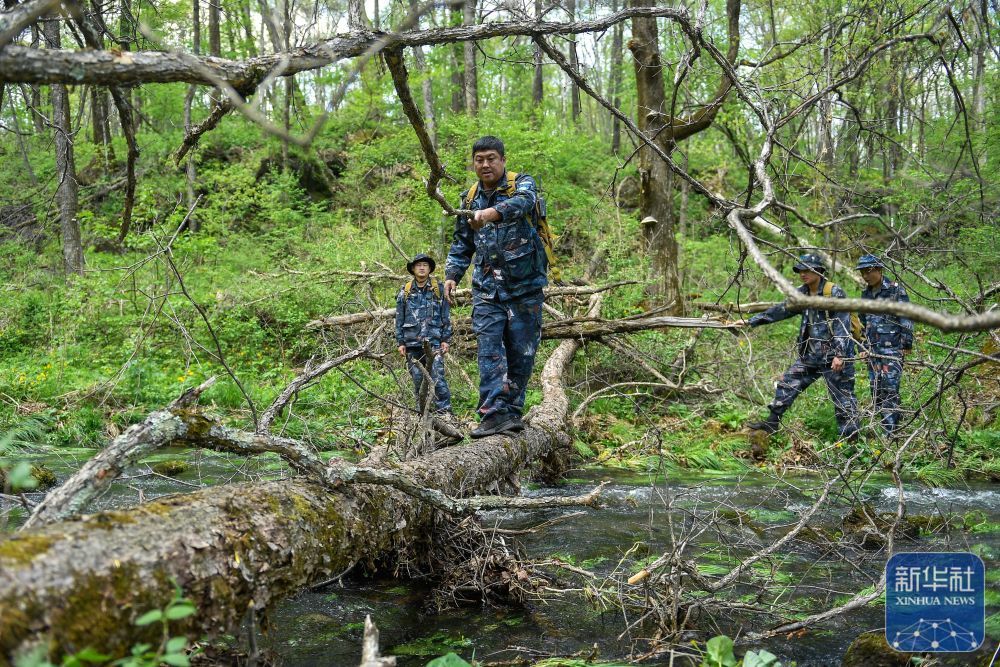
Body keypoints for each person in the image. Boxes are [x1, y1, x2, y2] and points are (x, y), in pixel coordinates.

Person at [444, 135, 546, 438]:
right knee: (489, 349)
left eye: (491, 158)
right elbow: (462, 242)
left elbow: (524, 202)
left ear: (502, 160)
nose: (485, 164)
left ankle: (511, 413)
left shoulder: (522, 184)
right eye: (479, 159)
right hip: (487, 289)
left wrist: (492, 214)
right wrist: (452, 274)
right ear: (474, 163)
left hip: (525, 287)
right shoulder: (469, 197)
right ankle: (491, 413)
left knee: (522, 352)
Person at [744, 253, 861, 441]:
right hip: (811, 355)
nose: (802, 274)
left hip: (834, 357)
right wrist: (751, 322)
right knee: (787, 383)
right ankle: (772, 423)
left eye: (807, 270)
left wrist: (840, 355)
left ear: (819, 271)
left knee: (844, 400)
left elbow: (842, 324)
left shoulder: (833, 292)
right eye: (800, 270)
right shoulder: (802, 293)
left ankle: (851, 443)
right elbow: (780, 310)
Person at [856, 254, 914, 434]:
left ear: (879, 270)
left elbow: (906, 317)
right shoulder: (865, 295)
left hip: (892, 349)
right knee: (876, 389)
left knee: (889, 388)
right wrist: (862, 347)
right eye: (863, 272)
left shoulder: (896, 290)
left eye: (869, 271)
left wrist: (906, 343)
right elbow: (861, 323)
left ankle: (890, 433)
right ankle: (889, 423)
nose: (865, 275)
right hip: (872, 350)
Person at [396, 253, 452, 415]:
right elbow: (399, 318)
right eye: (418, 265)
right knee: (418, 380)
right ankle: (423, 415)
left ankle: (445, 414)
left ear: (429, 269)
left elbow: (446, 315)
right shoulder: (405, 291)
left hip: (434, 343)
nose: (421, 268)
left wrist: (446, 339)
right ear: (413, 269)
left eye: (425, 265)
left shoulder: (439, 289)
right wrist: (400, 342)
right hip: (412, 344)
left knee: (438, 378)